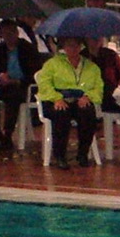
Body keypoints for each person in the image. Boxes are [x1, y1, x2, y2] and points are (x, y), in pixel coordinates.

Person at [34, 36, 102, 169]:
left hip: (80, 98)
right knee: (61, 114)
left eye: (76, 45)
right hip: (56, 98)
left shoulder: (91, 66)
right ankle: (60, 155)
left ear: (81, 47)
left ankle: (83, 153)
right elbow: (44, 84)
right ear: (63, 47)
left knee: (88, 113)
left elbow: (98, 88)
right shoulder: (52, 64)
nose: (73, 49)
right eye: (69, 45)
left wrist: (88, 96)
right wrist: (56, 98)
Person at [0, 20, 43, 154]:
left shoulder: (27, 48)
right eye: (5, 33)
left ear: (17, 32)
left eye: (11, 32)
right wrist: (2, 76)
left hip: (23, 85)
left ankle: (8, 133)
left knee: (13, 96)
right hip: (4, 83)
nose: (8, 35)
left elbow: (34, 73)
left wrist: (16, 81)